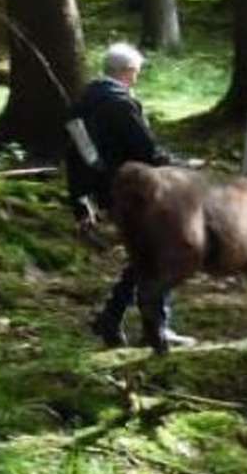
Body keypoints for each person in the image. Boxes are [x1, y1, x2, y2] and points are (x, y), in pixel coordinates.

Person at [65, 42, 194, 348]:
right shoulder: (120, 104)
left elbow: (76, 155)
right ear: (128, 71)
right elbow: (146, 151)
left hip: (105, 191)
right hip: (134, 191)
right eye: (136, 72)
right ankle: (157, 326)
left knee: (145, 254)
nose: (136, 78)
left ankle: (110, 318)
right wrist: (183, 165)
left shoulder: (82, 102)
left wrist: (82, 200)